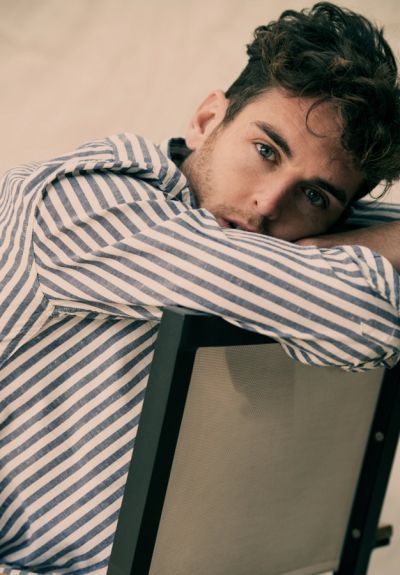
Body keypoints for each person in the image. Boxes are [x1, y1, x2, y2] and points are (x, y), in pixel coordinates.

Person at [1, 3, 399, 574]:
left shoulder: (274, 249)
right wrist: (311, 259)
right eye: (266, 151)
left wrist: (311, 252)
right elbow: (365, 316)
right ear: (208, 119)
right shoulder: (77, 202)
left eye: (314, 195)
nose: (267, 205)